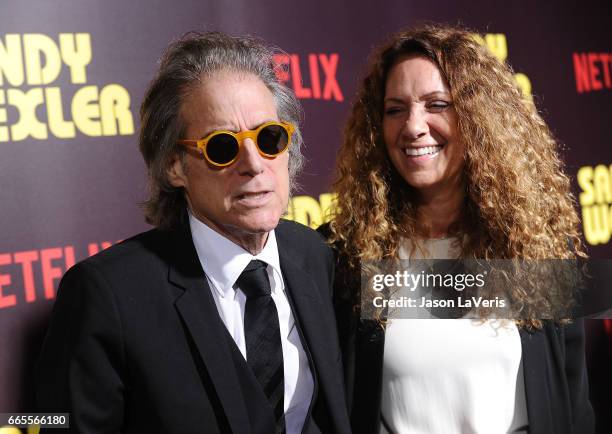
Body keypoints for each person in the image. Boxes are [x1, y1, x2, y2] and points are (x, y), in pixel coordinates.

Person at [36, 32, 350, 434]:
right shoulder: (106, 294)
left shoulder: (314, 254)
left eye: (270, 138)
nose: (254, 164)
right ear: (174, 166)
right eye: (222, 147)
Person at [321, 24, 595, 433]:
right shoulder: (348, 253)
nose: (413, 126)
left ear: (478, 117)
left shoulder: (537, 245)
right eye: (395, 109)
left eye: (436, 104)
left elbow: (573, 403)